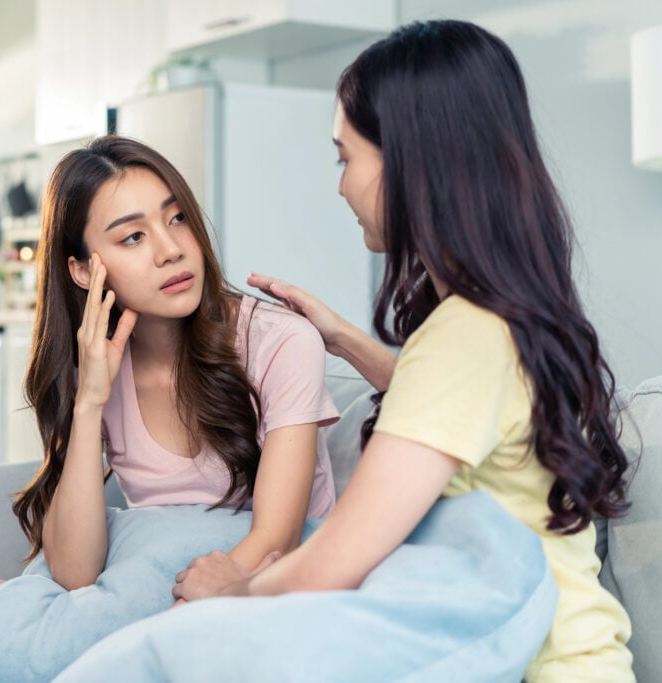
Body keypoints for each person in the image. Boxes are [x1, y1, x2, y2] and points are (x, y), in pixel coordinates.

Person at [172, 19, 634, 683]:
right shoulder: (500, 325)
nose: (340, 186)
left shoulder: (464, 338)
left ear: (413, 164)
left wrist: (231, 593)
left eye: (345, 158)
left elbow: (335, 562)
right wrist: (345, 340)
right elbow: (463, 419)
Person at [0, 135, 339, 658]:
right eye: (133, 238)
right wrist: (90, 399)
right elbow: (74, 572)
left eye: (177, 218)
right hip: (132, 590)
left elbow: (276, 539)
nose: (171, 250)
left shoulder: (281, 341)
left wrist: (162, 633)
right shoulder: (94, 366)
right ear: (82, 270)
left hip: (234, 592)